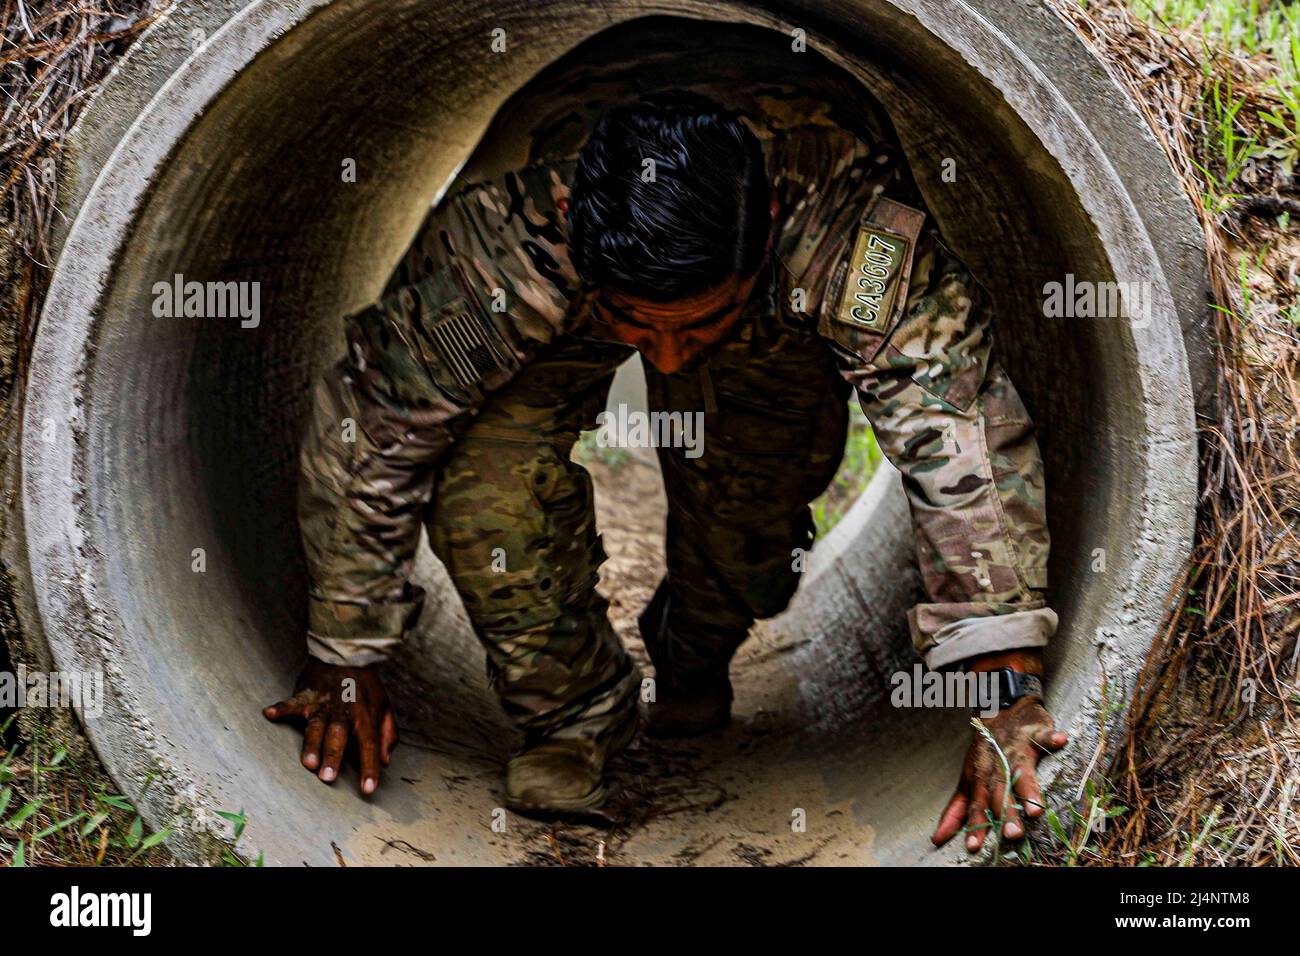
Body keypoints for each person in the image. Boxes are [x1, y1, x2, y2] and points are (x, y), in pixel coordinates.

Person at [264, 91, 1066, 853]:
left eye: (697, 324)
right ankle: (573, 713)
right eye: (638, 327)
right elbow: (376, 426)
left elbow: (952, 426)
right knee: (487, 486)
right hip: (559, 307)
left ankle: (695, 644)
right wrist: (344, 653)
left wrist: (999, 690)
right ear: (574, 224)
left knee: (751, 499)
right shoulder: (509, 245)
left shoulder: (848, 234)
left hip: (772, 314)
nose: (668, 357)